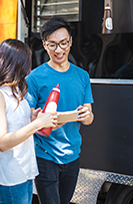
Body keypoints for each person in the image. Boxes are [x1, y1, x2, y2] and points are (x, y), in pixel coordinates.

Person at [0, 39, 57, 204]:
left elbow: (18, 121)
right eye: (26, 63)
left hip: (23, 170)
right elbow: (2, 142)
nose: (28, 69)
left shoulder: (14, 90)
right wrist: (37, 124)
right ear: (15, 64)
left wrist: (35, 117)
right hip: (8, 176)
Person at [26, 17, 94, 204]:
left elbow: (88, 117)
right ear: (44, 45)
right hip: (44, 155)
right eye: (53, 44)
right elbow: (28, 117)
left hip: (72, 155)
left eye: (63, 43)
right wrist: (42, 120)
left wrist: (87, 116)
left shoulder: (82, 76)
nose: (59, 50)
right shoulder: (35, 77)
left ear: (71, 42)